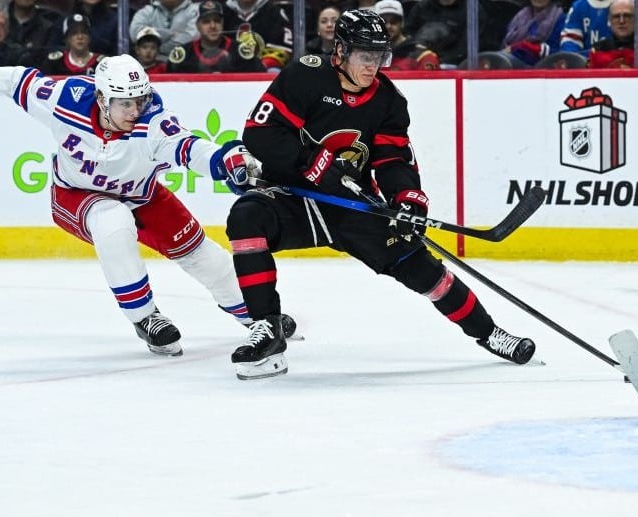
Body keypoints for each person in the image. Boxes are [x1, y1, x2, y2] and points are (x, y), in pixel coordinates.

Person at [225, 9, 536, 380]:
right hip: (293, 197)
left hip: (350, 203)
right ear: (339, 51)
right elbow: (259, 133)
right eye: (364, 55)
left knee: (422, 269)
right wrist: (310, 161)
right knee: (246, 216)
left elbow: (392, 159)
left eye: (379, 56)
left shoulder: (388, 99)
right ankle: (267, 329)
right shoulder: (304, 77)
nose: (373, 66)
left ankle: (490, 333)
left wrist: (407, 198)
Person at [0, 54, 280, 358]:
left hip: (143, 196)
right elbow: (18, 82)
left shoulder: (152, 121)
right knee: (112, 219)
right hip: (76, 196)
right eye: (125, 103)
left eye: (139, 100)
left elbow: (190, 148)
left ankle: (255, 315)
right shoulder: (66, 100)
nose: (135, 110)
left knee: (202, 254)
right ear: (102, 99)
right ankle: (145, 317)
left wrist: (227, 161)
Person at [167, 0, 265, 73]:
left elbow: (260, 78)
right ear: (197, 26)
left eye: (217, 21)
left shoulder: (241, 52)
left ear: (223, 23)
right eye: (206, 22)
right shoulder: (183, 55)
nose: (213, 26)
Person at [587, 0, 638, 68]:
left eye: (627, 16)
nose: (621, 21)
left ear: (636, 19)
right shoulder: (598, 49)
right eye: (616, 16)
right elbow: (588, 82)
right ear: (609, 21)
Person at [376, 0, 441, 70]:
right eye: (383, 21)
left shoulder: (422, 56)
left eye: (394, 21)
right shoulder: (369, 56)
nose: (388, 26)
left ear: (402, 23)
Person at [501, 0, 565, 67]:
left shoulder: (560, 19)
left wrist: (519, 47)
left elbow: (556, 52)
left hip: (540, 67)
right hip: (511, 61)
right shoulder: (519, 16)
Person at [36, 13, 104, 76]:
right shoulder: (55, 63)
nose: (80, 37)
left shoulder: (102, 63)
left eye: (84, 32)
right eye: (74, 33)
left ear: (89, 37)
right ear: (66, 39)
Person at [129, 0, 200, 60]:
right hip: (153, 63)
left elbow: (192, 38)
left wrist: (158, 47)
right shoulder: (147, 11)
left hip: (186, 62)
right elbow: (135, 33)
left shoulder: (195, 10)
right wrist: (170, 34)